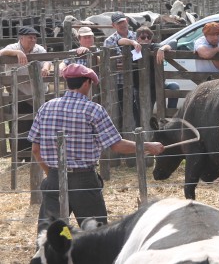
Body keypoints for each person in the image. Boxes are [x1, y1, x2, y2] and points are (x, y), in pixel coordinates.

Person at [28, 63, 164, 234]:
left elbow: (35, 149)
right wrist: (147, 146)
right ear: (86, 83)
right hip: (84, 180)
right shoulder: (93, 110)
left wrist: (51, 173)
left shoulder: (46, 108)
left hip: (54, 178)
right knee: (96, 236)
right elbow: (116, 144)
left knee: (49, 236)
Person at [0, 26, 51, 157]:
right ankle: (19, 155)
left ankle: (33, 156)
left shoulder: (39, 49)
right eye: (30, 37)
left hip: (38, 92)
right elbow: (1, 53)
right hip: (20, 92)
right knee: (19, 123)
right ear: (21, 38)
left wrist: (46, 67)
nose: (33, 40)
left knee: (35, 123)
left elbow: (47, 59)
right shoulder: (12, 48)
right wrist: (17, 53)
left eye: (35, 37)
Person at [103, 12, 142, 127]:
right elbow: (109, 62)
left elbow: (141, 57)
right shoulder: (109, 41)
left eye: (123, 21)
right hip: (119, 82)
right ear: (113, 25)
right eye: (118, 23)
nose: (122, 24)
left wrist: (125, 63)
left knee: (138, 110)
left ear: (127, 21)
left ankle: (138, 132)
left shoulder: (137, 36)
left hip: (137, 80)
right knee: (120, 110)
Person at [133, 26, 180, 110]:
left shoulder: (154, 47)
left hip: (156, 84)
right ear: (137, 39)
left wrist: (162, 49)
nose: (146, 39)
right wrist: (134, 45)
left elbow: (169, 46)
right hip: (140, 87)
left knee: (174, 86)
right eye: (143, 37)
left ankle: (171, 113)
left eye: (149, 37)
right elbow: (120, 42)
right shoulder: (133, 50)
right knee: (144, 112)